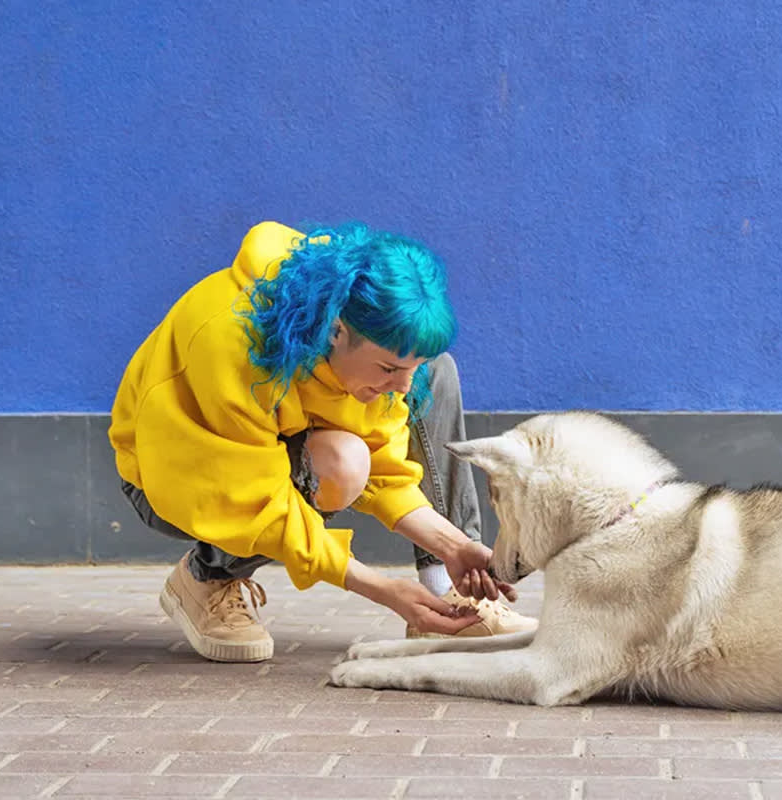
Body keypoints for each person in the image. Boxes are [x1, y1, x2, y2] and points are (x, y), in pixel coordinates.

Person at [108, 220, 536, 662]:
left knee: (435, 371)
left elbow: (386, 473)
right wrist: (380, 589)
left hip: (278, 453)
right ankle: (207, 577)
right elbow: (254, 499)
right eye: (389, 369)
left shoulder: (363, 349)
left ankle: (448, 596)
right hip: (172, 478)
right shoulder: (230, 345)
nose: (402, 387)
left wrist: (453, 547)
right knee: (341, 464)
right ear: (336, 331)